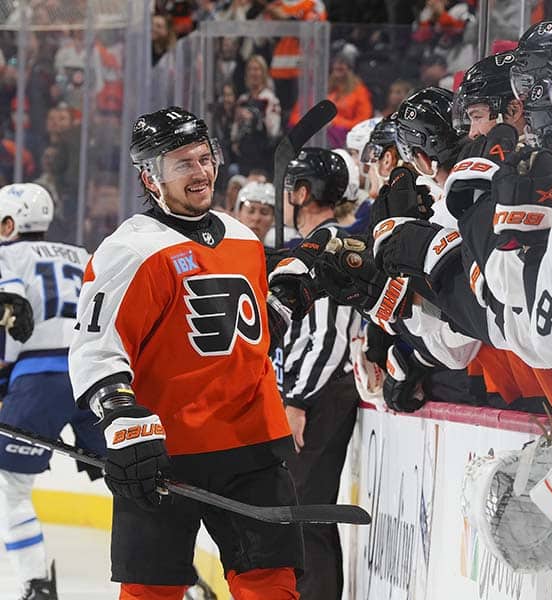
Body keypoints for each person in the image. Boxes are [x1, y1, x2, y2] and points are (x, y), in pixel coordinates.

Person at [67, 106, 304, 600]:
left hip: (250, 442)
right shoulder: (131, 250)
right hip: (164, 450)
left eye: (205, 158)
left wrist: (290, 300)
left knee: (271, 583)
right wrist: (121, 419)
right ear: (150, 177)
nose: (201, 172)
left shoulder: (242, 237)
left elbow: (247, 333)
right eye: (183, 163)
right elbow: (97, 346)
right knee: (152, 588)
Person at [0, 183, 97, 600]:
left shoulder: (6, 255)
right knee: (130, 481)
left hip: (39, 378)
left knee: (10, 486)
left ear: (9, 223)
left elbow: (11, 314)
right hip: (97, 376)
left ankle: (37, 585)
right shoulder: (85, 255)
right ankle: (177, 577)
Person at [278, 147, 360, 600]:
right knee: (305, 512)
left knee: (304, 513)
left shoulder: (325, 248)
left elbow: (329, 336)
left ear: (304, 192)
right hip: (318, 391)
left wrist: (297, 401)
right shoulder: (323, 244)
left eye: (291, 188)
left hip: (320, 395)